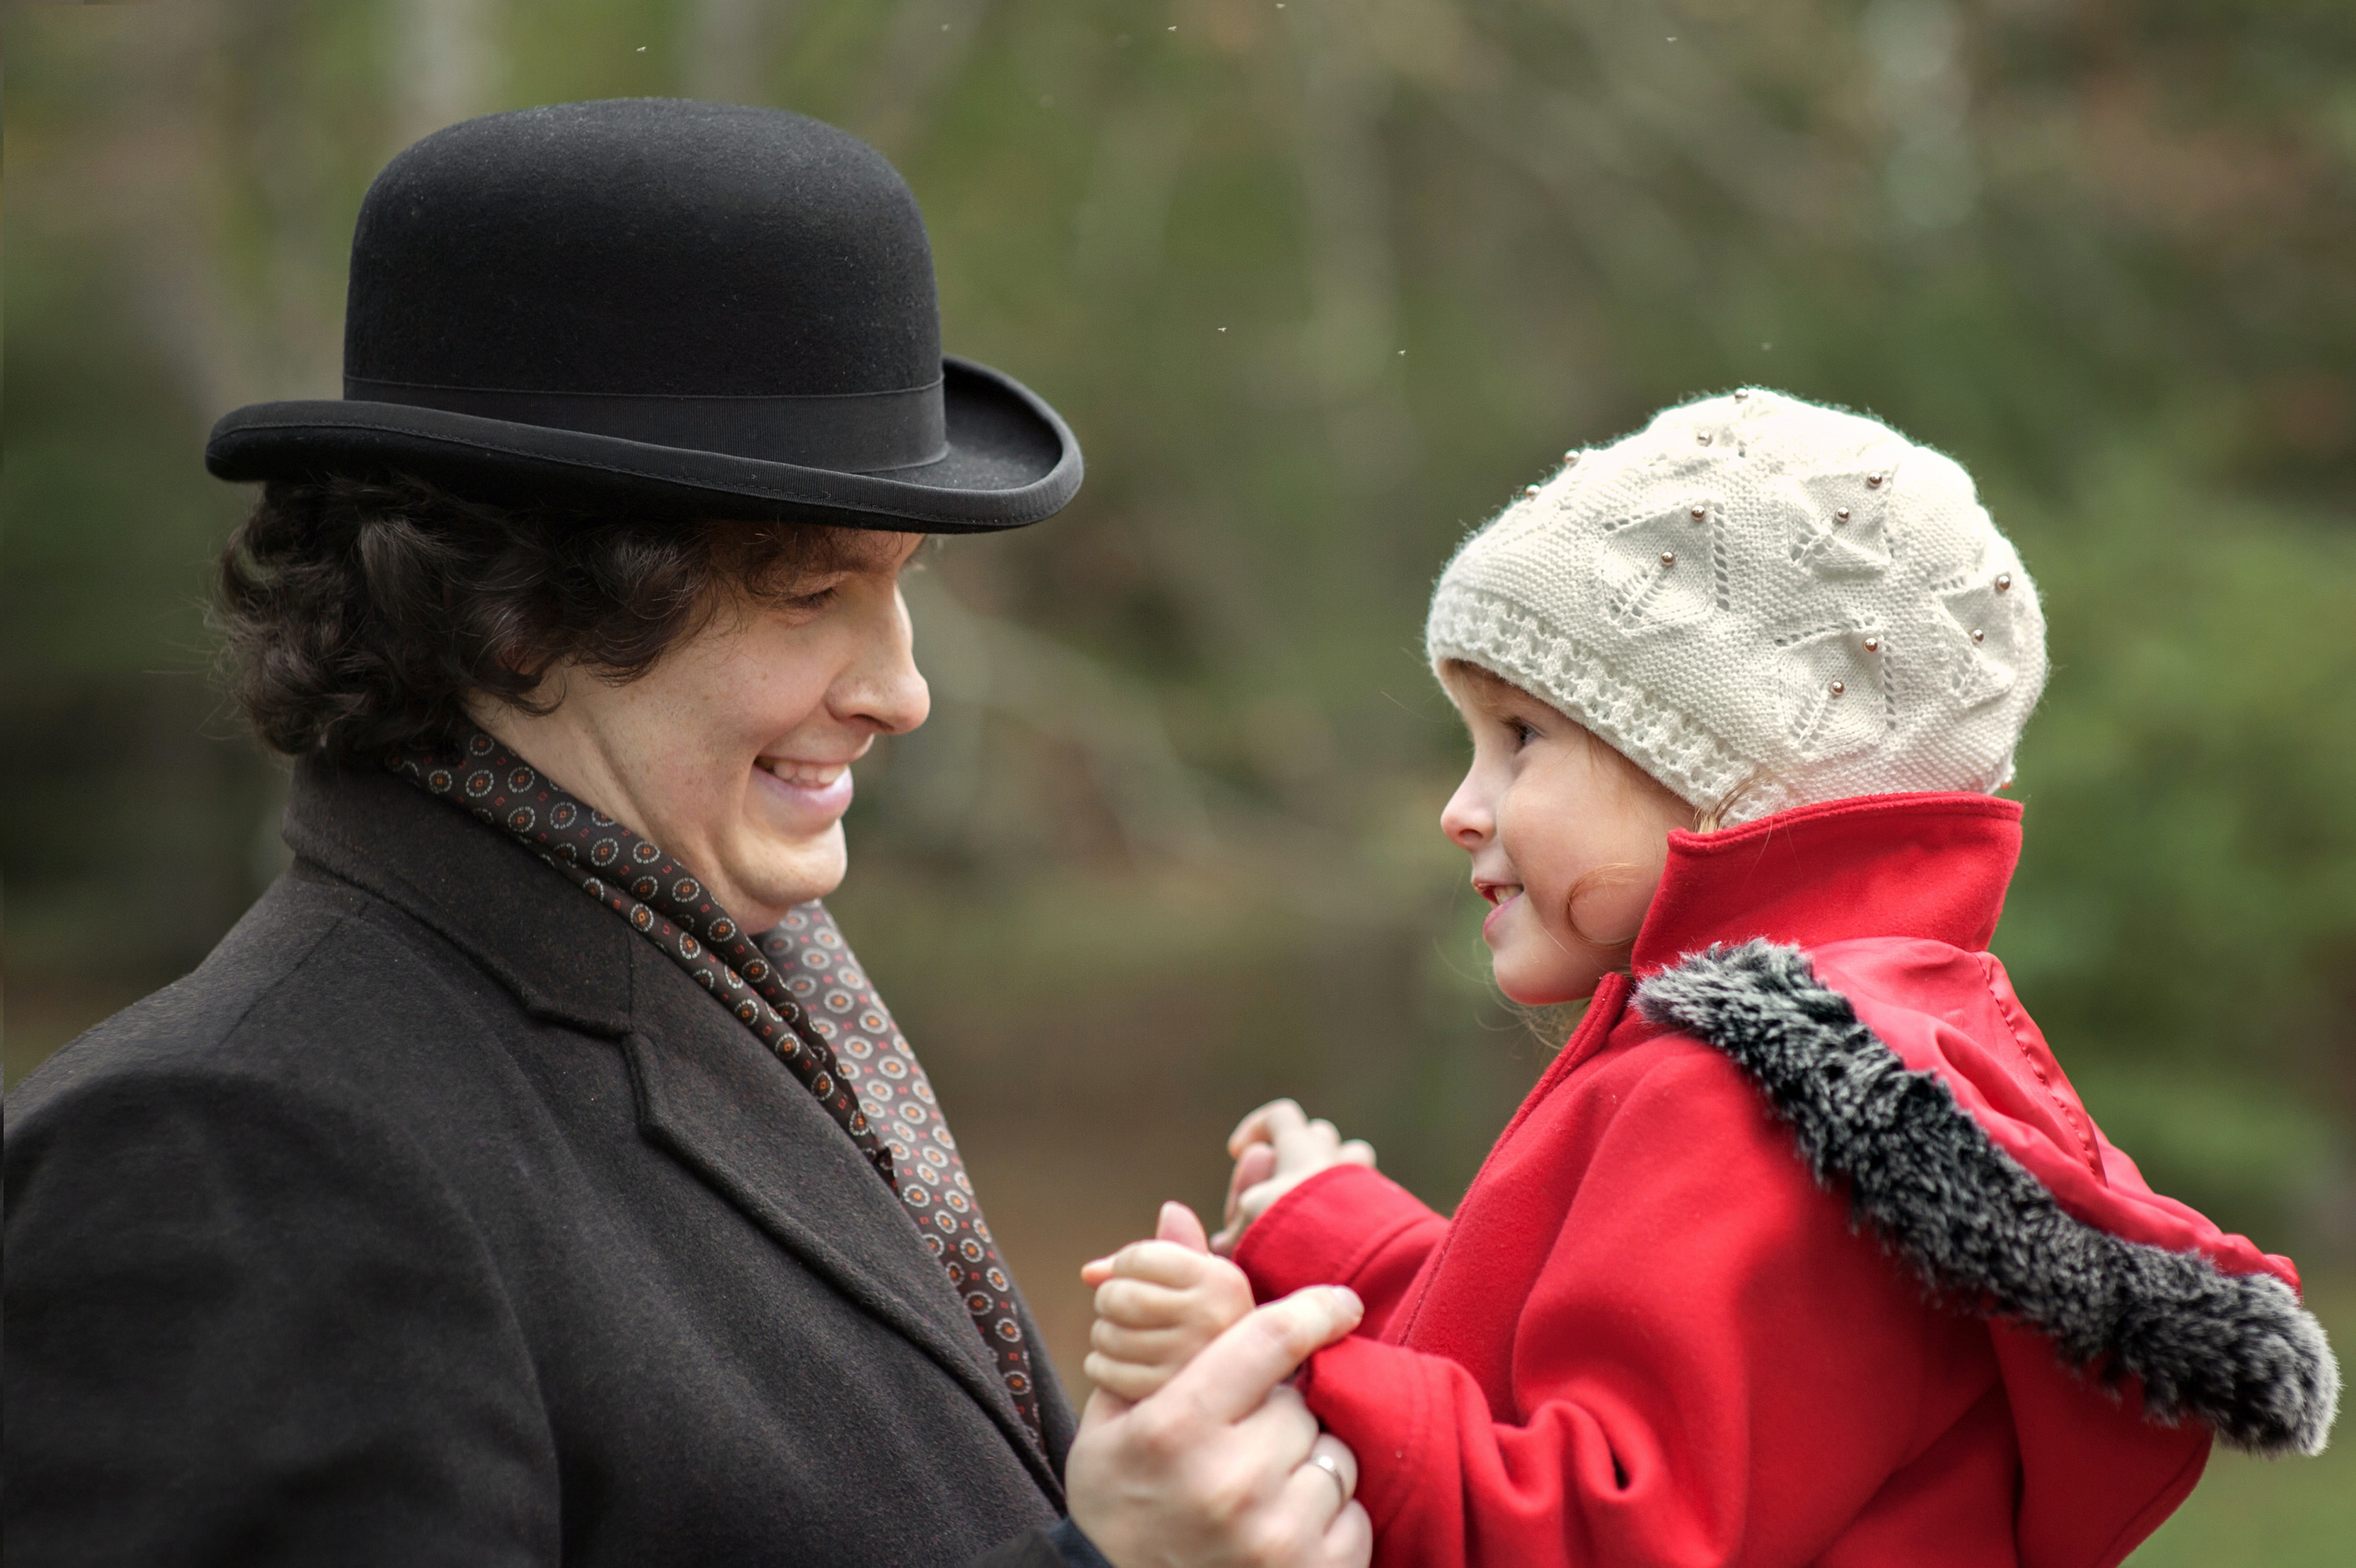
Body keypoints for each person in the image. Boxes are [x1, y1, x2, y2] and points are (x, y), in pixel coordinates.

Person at [3, 98, 1370, 1568]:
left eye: (902, 584)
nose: (903, 691)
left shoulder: (728, 984)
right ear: (519, 612)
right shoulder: (226, 1150)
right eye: (808, 595)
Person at [1081, 390, 2342, 1566]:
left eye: (1522, 739)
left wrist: (1279, 1371)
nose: (1464, 808)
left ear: (1729, 764)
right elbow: (1552, 1365)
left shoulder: (1743, 1100)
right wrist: (1334, 1238)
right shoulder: (1831, 1044)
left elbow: (1611, 1521)